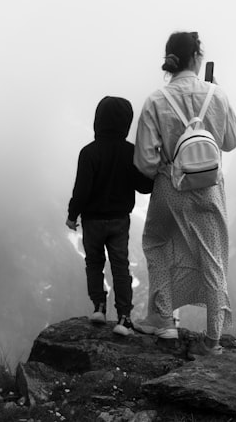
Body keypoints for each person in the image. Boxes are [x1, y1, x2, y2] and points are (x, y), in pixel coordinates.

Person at [133, 31, 236, 356]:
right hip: (209, 189)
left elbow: (145, 161)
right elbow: (231, 141)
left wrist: (166, 168)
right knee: (212, 257)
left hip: (171, 187)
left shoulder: (155, 100)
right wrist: (217, 92)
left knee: (158, 242)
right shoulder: (217, 96)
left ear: (170, 59)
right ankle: (213, 340)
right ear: (197, 57)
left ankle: (163, 318)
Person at [67, 96, 154, 336]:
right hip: (119, 221)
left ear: (98, 120)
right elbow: (143, 186)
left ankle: (99, 307)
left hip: (92, 221)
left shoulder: (88, 153)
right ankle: (124, 318)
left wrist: (72, 215)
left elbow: (81, 189)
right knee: (120, 267)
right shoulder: (130, 152)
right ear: (126, 123)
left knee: (94, 263)